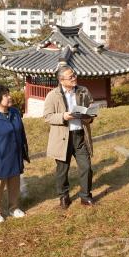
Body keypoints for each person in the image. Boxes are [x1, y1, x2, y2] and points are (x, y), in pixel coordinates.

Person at [43, 65, 96, 209]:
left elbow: (91, 108)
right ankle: (64, 197)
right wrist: (63, 116)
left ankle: (85, 197)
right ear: (61, 80)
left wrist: (89, 117)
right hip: (62, 138)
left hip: (80, 135)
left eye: (74, 75)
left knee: (86, 167)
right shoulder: (53, 95)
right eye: (71, 77)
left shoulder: (83, 91)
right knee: (62, 170)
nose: (74, 78)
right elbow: (47, 117)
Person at [0, 84, 30, 223]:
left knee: (15, 184)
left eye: (9, 94)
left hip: (15, 156)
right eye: (6, 95)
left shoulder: (14, 112)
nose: (10, 97)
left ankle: (14, 208)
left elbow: (22, 133)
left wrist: (24, 152)